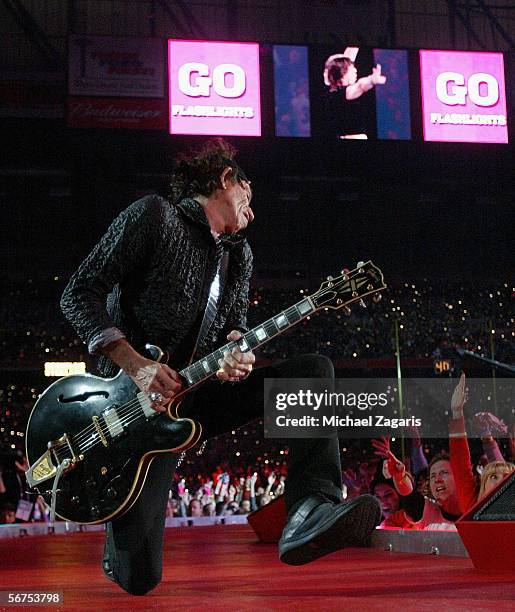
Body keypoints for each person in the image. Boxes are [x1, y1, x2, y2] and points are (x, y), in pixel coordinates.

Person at [60, 138, 380, 596]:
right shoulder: (155, 215)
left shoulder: (239, 256)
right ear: (228, 180)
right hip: (128, 406)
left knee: (311, 371)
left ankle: (310, 506)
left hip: (194, 398)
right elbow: (78, 294)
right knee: (140, 580)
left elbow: (232, 334)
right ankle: (123, 538)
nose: (252, 213)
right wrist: (136, 366)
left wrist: (237, 359)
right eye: (249, 198)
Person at [323, 47, 386, 139]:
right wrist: (371, 80)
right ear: (342, 75)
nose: (355, 70)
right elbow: (360, 86)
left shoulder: (331, 90)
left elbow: (345, 59)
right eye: (352, 69)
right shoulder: (342, 93)